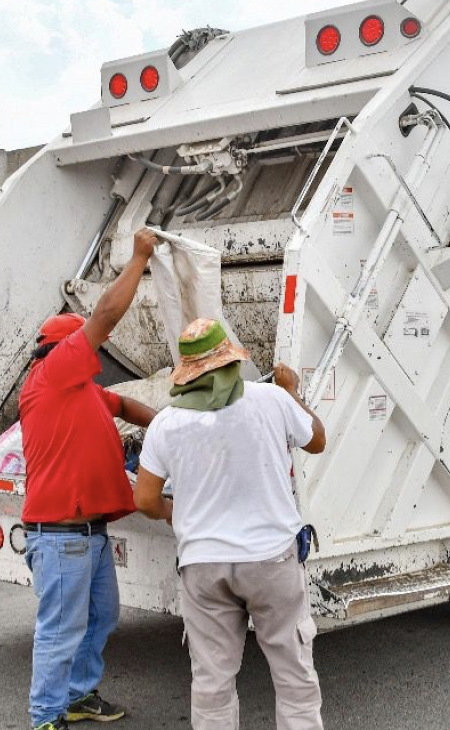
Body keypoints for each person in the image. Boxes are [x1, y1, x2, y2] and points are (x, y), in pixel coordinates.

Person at [134, 317, 326, 730]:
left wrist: (175, 515)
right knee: (294, 677)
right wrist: (292, 391)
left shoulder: (166, 423)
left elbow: (145, 498)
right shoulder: (271, 400)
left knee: (212, 684)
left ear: (187, 373)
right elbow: (317, 440)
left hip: (203, 566)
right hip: (272, 560)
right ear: (231, 362)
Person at [20, 228, 160, 730]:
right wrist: (139, 258)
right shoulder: (52, 374)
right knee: (59, 630)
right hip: (61, 538)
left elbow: (121, 403)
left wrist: (165, 423)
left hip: (90, 537)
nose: (95, 359)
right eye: (85, 349)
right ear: (62, 349)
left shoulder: (80, 391)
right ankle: (45, 716)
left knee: (101, 618)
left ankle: (77, 696)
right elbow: (104, 317)